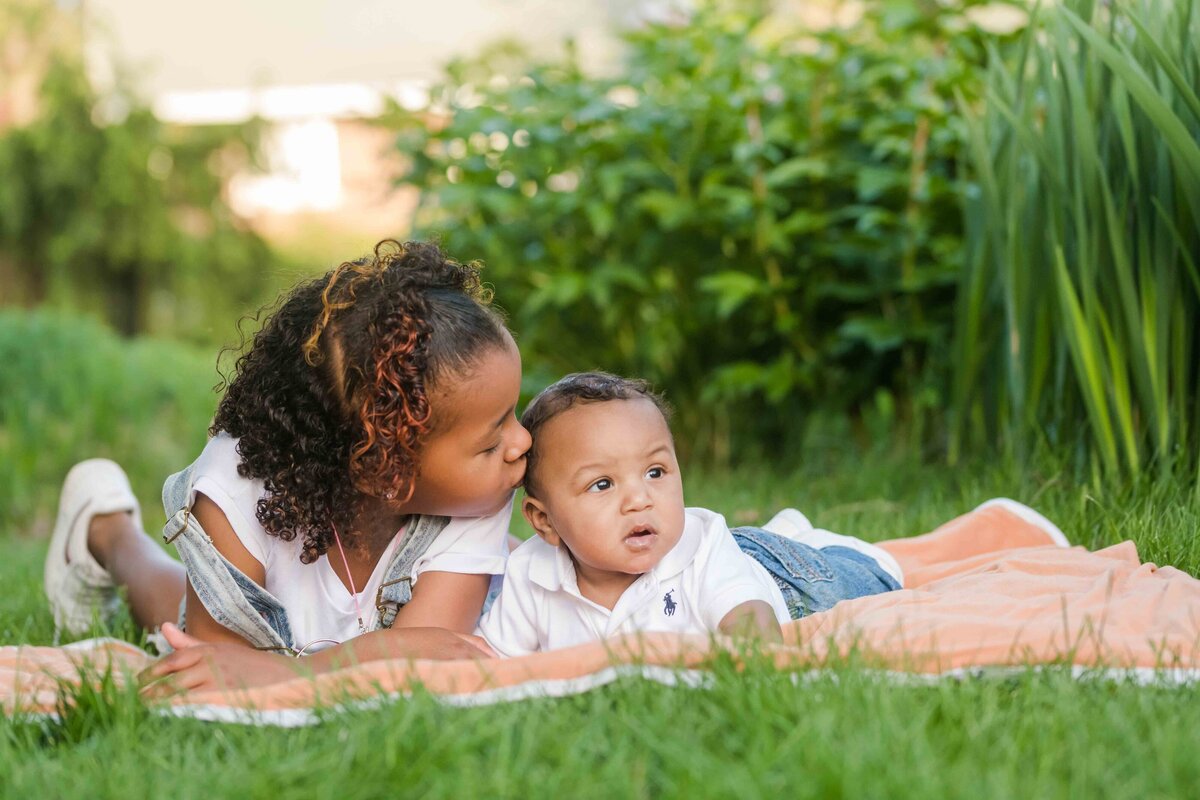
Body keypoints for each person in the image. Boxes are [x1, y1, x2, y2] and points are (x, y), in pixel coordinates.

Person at [43, 240, 532, 692]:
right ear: (384, 469)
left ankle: (107, 524)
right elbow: (215, 665)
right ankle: (107, 531)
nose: (522, 443)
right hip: (259, 601)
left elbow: (425, 661)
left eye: (514, 414)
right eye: (491, 443)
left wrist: (286, 670)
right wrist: (360, 655)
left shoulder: (480, 492)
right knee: (176, 619)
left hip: (315, 636)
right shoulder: (233, 495)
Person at [477, 372, 904, 658]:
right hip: (740, 557)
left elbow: (748, 620)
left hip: (786, 579)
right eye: (603, 485)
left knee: (873, 582)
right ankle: (777, 533)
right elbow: (494, 658)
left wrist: (759, 664)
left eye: (655, 472)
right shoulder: (530, 573)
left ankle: (803, 542)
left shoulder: (698, 546)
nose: (640, 500)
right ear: (545, 521)